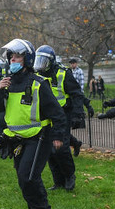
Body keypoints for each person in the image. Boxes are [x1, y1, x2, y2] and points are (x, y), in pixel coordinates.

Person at [0, 39, 68, 209]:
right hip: (16, 139)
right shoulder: (6, 84)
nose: (12, 60)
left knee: (28, 176)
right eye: (10, 57)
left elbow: (57, 114)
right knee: (25, 177)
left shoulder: (38, 84)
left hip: (39, 136)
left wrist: (58, 136)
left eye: (17, 56)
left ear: (27, 59)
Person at [33, 45, 87, 191]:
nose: (41, 64)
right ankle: (58, 181)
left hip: (63, 114)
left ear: (51, 61)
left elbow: (77, 94)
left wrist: (77, 114)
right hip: (46, 115)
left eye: (44, 61)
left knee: (61, 148)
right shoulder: (38, 75)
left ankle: (70, 175)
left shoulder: (63, 74)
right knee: (49, 151)